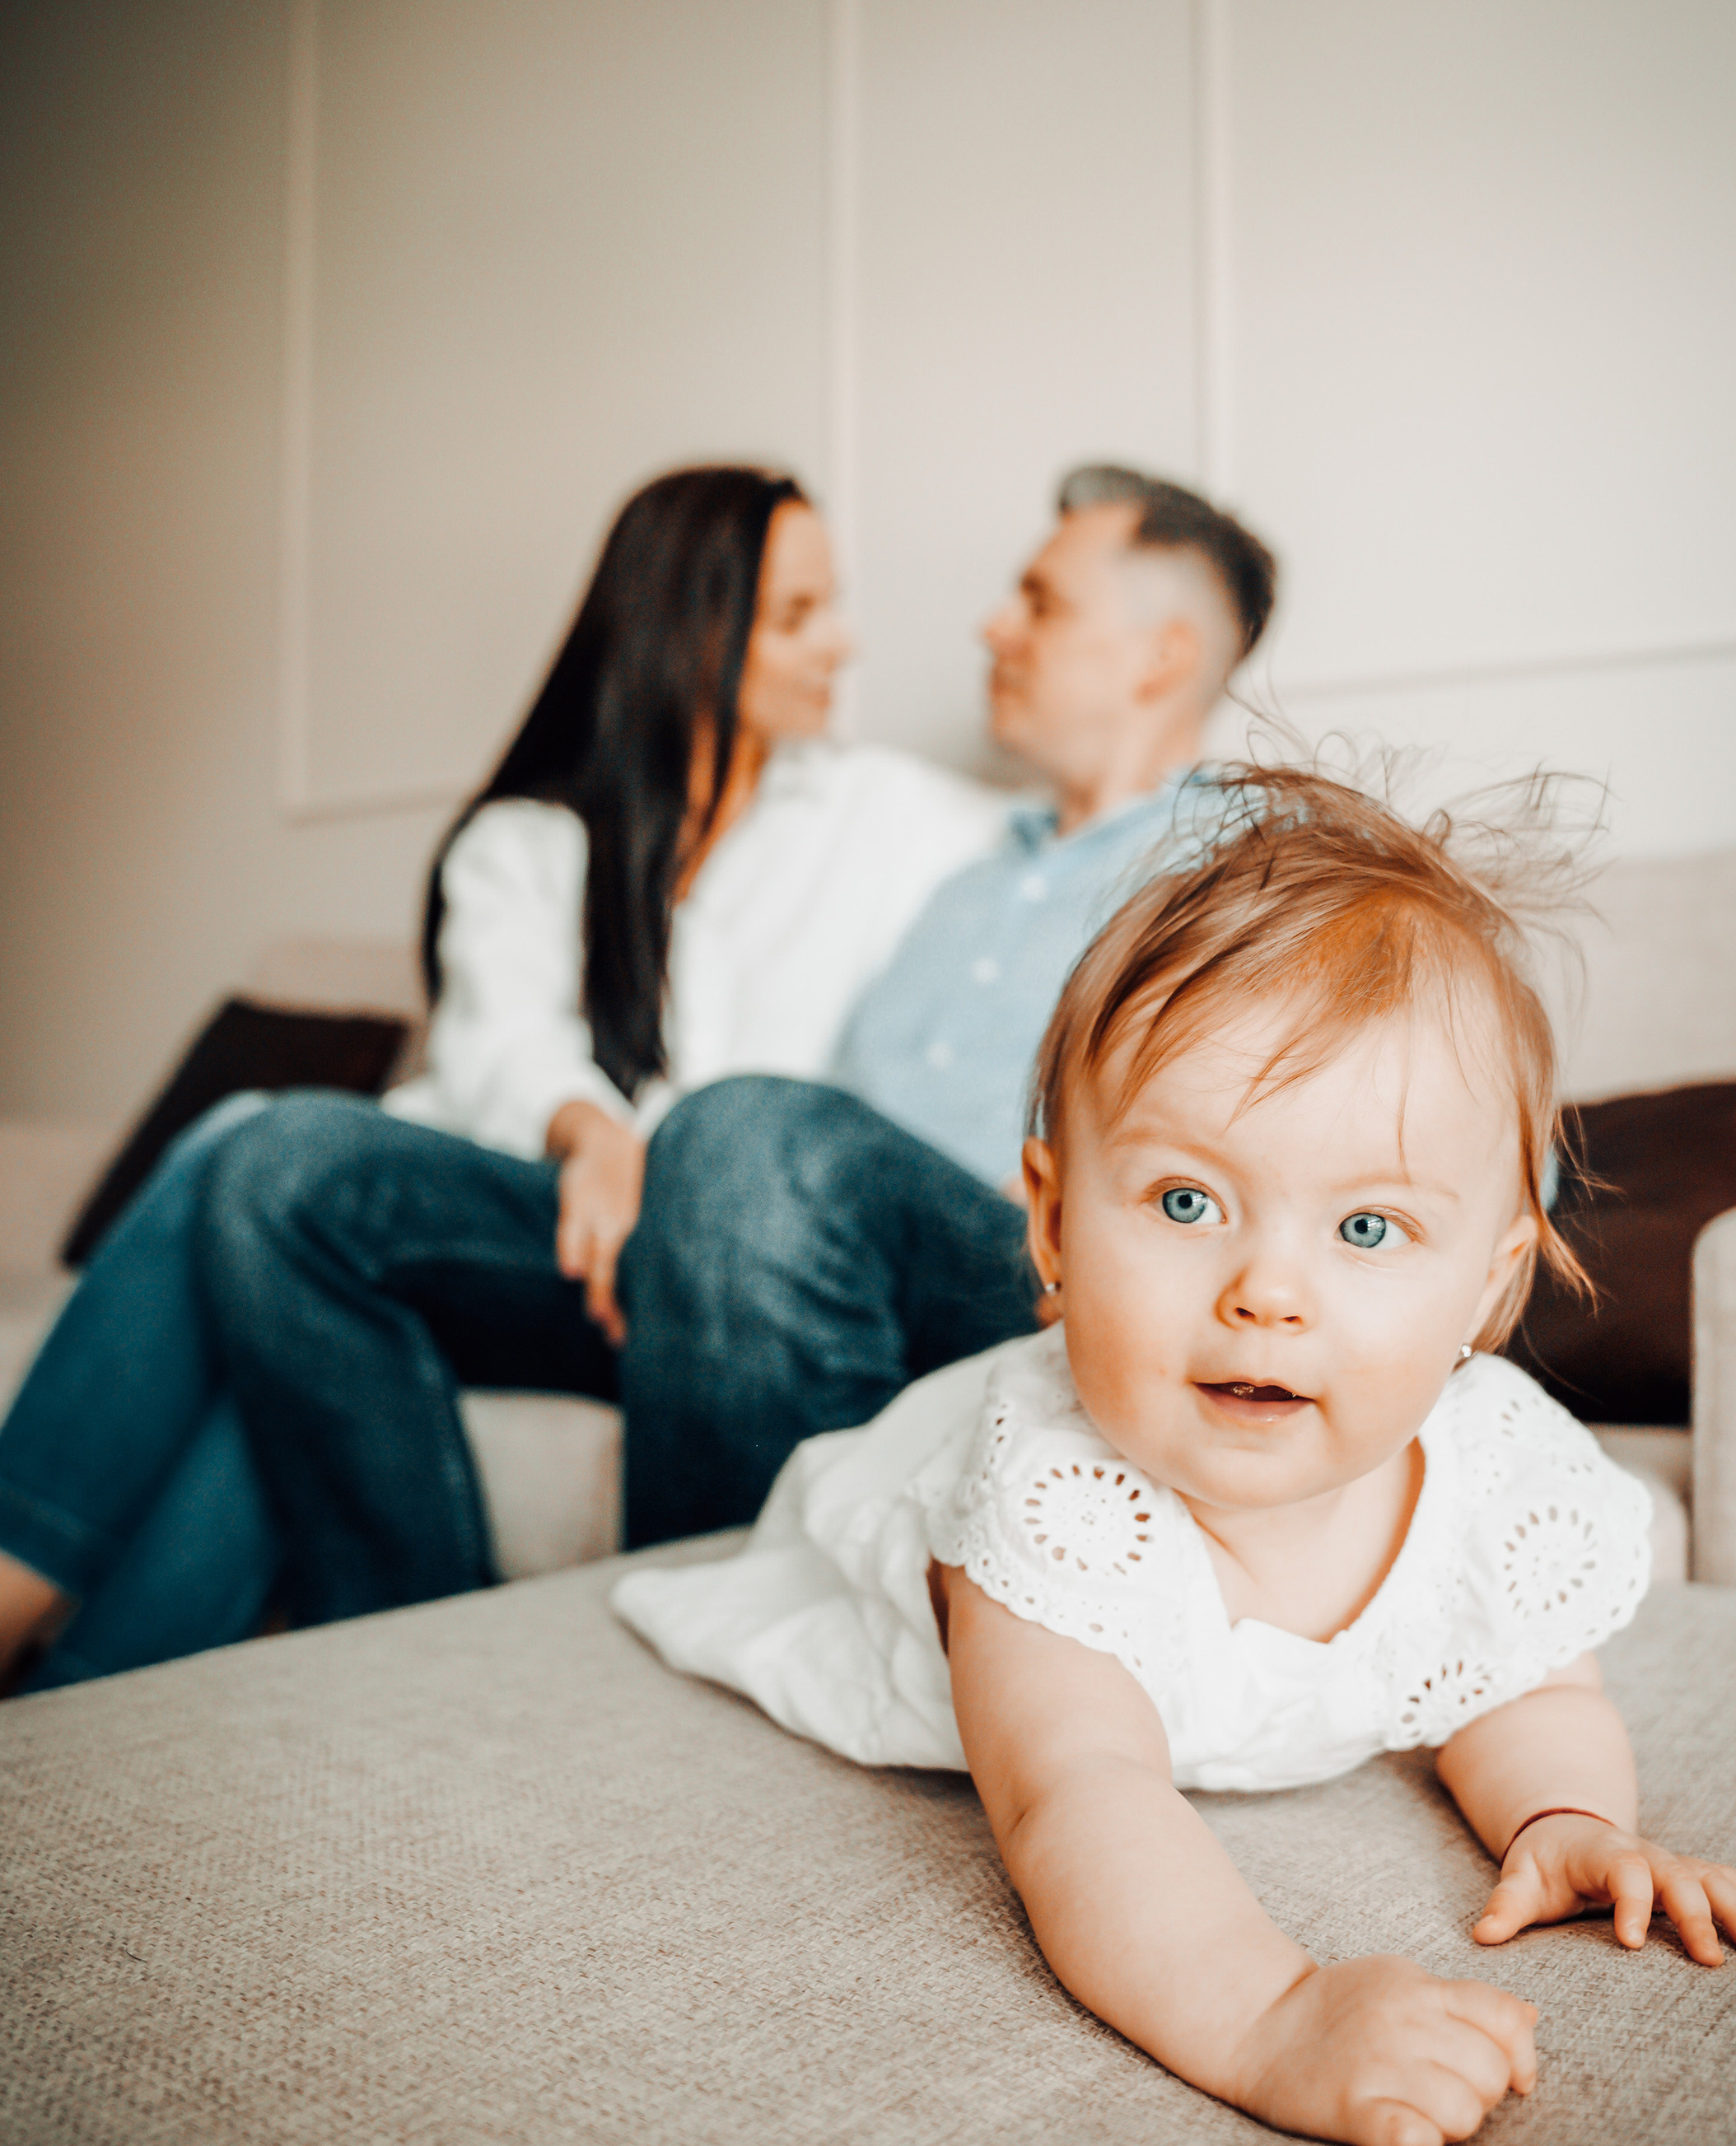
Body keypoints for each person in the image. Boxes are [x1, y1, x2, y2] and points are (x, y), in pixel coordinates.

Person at [614, 769, 1736, 2146]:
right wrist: (1271, 2017)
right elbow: (1076, 1795)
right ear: (1052, 1222)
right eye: (1187, 1200)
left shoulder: (1494, 1471)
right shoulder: (1057, 1503)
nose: (1267, 1292)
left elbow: (1524, 1681)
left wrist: (1569, 1816)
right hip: (897, 1533)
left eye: (1367, 1228)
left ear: (1489, 1282)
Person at [0, 464, 997, 1719]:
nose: (843, 644)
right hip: (543, 1240)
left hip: (720, 1258)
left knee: (244, 1159)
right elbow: (502, 1040)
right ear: (690, 624)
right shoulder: (529, 839)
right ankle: (77, 1709)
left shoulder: (881, 811)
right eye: (798, 615)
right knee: (269, 1166)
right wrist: (592, 1135)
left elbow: (1077, 831)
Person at [203, 463, 1279, 1580]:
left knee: (733, 1128)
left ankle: (713, 1624)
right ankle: (416, 1645)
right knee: (284, 1163)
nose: (993, 627)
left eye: (1042, 603)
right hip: (796, 1235)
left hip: (1017, 1258)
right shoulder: (960, 864)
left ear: (1161, 657)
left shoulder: (1238, 865)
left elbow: (1269, 1127)